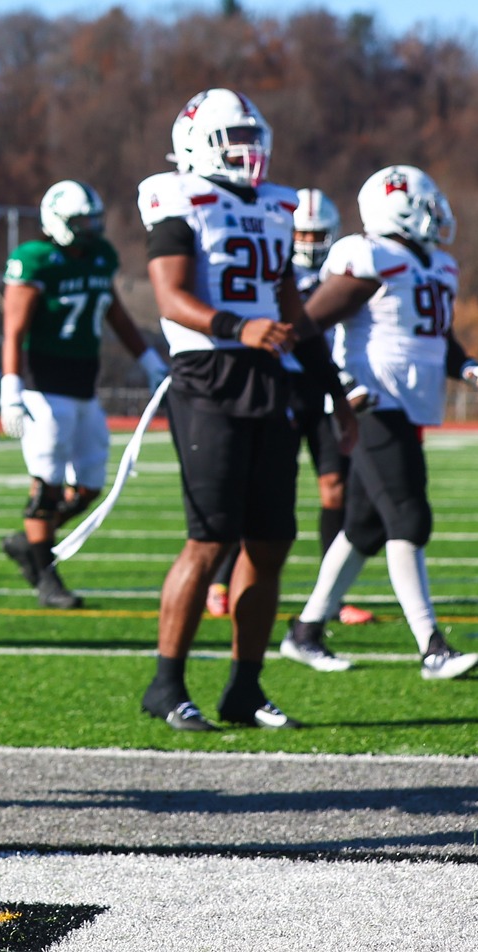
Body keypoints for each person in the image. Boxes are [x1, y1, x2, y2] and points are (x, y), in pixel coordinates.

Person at [138, 87, 357, 731]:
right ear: (197, 144)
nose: (247, 154)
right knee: (209, 540)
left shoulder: (273, 207)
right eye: (234, 141)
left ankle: (244, 687)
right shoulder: (181, 202)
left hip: (269, 375)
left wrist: (336, 393)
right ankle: (166, 683)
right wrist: (239, 326)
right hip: (209, 375)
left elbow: (289, 307)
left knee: (271, 540)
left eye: (252, 140)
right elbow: (170, 297)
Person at [279, 166, 478, 679]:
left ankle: (305, 632)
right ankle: (431, 646)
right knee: (408, 516)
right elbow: (308, 325)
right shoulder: (370, 254)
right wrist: (338, 384)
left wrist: (463, 364)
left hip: (407, 402)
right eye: (427, 204)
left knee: (365, 528)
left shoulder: (438, 264)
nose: (437, 214)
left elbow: (431, 333)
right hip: (372, 403)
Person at [0, 180, 170, 610]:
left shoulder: (98, 257)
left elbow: (113, 311)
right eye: (82, 221)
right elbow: (14, 329)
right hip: (42, 387)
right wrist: (10, 387)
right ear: (57, 222)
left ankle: (31, 542)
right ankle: (46, 577)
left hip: (83, 386)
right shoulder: (35, 260)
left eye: (94, 219)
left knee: (91, 488)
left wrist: (148, 359)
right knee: (48, 486)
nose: (91, 228)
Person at [205, 189, 368, 624]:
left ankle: (329, 595)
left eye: (318, 234)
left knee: (336, 488)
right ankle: (221, 580)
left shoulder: (344, 273)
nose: (311, 243)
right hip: (280, 385)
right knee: (253, 491)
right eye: (304, 233)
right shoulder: (276, 268)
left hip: (323, 384)